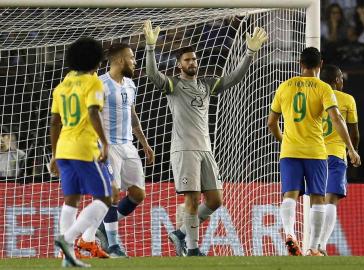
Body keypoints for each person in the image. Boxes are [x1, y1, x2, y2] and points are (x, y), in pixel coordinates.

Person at [143, 20, 267, 256]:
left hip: (205, 150)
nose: (192, 62)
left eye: (194, 59)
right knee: (191, 200)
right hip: (185, 150)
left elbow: (234, 78)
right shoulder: (174, 85)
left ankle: (180, 233)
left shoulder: (206, 85)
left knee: (215, 200)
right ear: (179, 65)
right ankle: (192, 249)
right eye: (187, 60)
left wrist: (249, 53)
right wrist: (150, 48)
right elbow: (152, 74)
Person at [267, 47, 361, 256]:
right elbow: (336, 119)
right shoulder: (323, 88)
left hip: (290, 150)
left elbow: (271, 122)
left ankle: (290, 234)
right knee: (318, 198)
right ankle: (314, 247)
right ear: (320, 65)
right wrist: (352, 149)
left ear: (300, 64)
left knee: (289, 195)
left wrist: (283, 140)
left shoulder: (285, 86)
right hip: (316, 151)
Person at [78, 43, 155, 258]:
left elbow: (132, 116)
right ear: (120, 60)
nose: (134, 61)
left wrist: (144, 143)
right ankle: (113, 245)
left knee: (138, 194)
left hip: (128, 145)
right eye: (131, 58)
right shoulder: (99, 84)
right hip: (107, 146)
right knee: (111, 193)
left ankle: (100, 227)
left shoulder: (130, 85)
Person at [50, 37, 112, 267]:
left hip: (64, 148)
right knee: (106, 197)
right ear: (97, 60)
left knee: (71, 199)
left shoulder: (63, 84)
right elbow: (94, 112)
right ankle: (66, 239)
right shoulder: (93, 82)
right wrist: (105, 143)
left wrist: (54, 154)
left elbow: (55, 122)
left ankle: (66, 258)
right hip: (84, 147)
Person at [318, 65, 360, 255]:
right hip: (335, 154)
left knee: (315, 202)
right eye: (341, 78)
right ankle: (322, 245)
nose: (343, 81)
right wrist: (353, 151)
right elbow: (354, 132)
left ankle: (311, 245)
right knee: (331, 201)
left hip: (314, 155)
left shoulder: (315, 96)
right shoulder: (347, 99)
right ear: (336, 80)